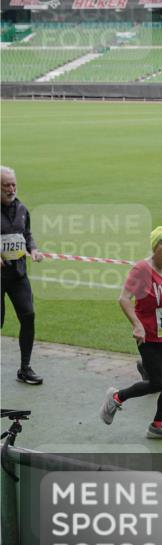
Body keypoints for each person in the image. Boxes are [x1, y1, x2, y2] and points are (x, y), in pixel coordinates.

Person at [100, 227, 162, 440]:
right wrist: (137, 325)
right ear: (155, 246)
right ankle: (117, 397)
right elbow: (124, 299)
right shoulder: (142, 270)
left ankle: (158, 425)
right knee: (157, 383)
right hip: (149, 337)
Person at [1, 165, 44, 385]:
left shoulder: (21, 209)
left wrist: (33, 249)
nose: (11, 189)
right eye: (6, 185)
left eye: (13, 185)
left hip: (18, 274)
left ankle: (25, 368)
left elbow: (26, 234)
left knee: (28, 315)